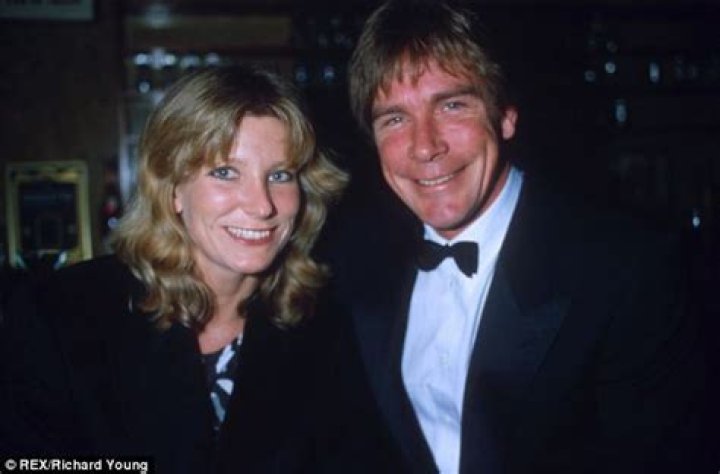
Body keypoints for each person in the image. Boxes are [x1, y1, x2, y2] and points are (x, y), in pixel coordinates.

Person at [325, 1, 706, 472]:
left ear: (506, 115)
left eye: (452, 105)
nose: (425, 147)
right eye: (395, 119)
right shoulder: (355, 261)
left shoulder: (629, 269)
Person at [0, 66, 352, 473]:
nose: (262, 205)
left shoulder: (325, 322)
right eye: (225, 172)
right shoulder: (59, 315)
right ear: (172, 189)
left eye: (279, 175)